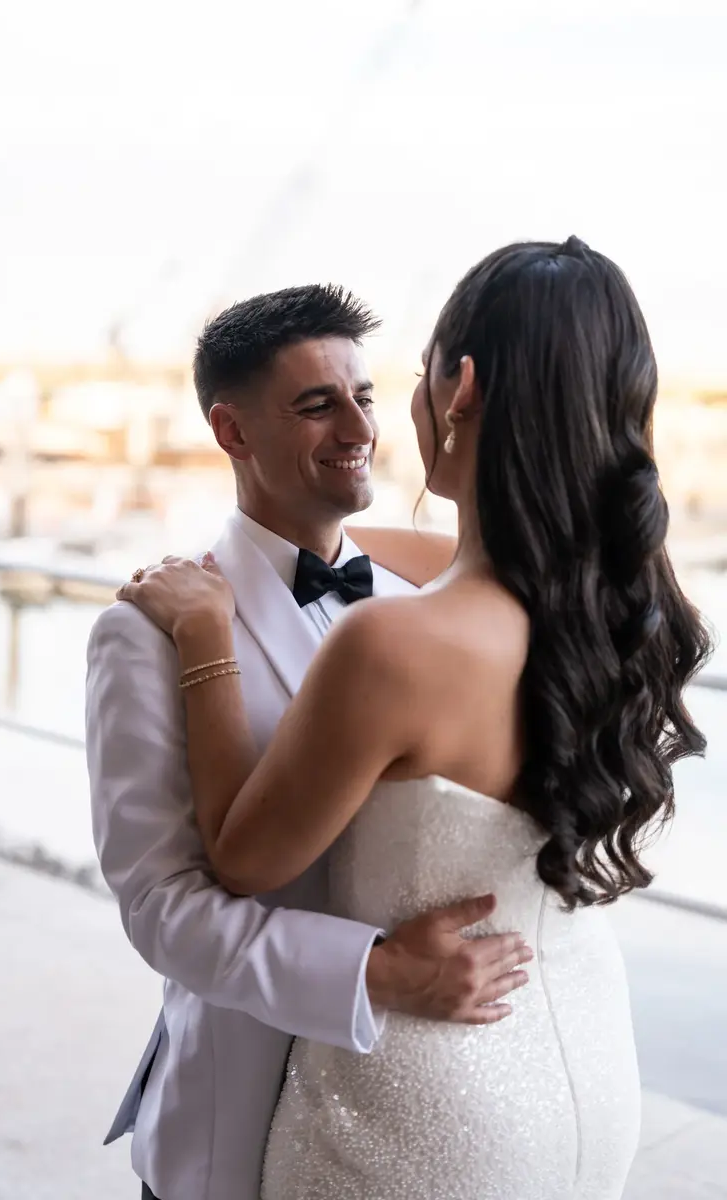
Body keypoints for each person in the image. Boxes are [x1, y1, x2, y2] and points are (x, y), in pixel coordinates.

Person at [119, 238, 713, 1200]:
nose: (366, 417)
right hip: (585, 1065)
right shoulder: (615, 604)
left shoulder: (393, 645)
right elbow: (375, 546)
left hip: (425, 1103)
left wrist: (205, 638)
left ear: (460, 384)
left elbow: (237, 858)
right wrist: (276, 541)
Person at [86, 284, 533, 1200]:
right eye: (315, 405)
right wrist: (374, 974)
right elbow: (160, 908)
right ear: (232, 432)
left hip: (405, 1110)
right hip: (237, 1111)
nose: (357, 427)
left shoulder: (421, 610)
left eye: (364, 397)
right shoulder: (145, 633)